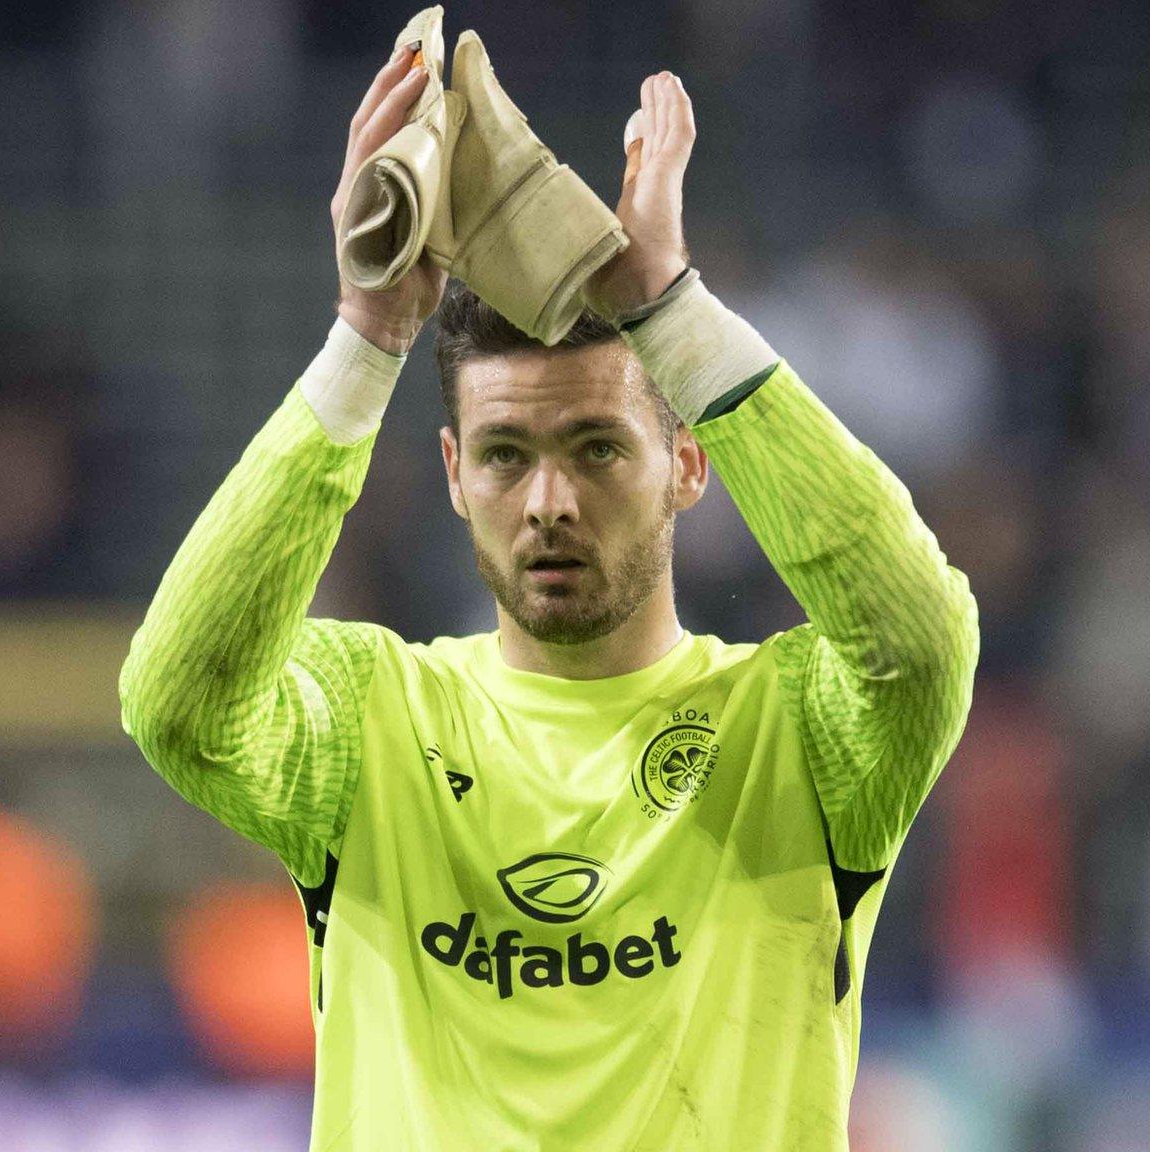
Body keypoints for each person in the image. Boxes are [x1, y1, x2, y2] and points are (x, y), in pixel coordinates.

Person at [119, 47, 979, 1150]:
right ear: (448, 473)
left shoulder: (798, 729)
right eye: (504, 455)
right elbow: (172, 704)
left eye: (595, 448)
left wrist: (671, 317)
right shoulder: (371, 718)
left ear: (687, 464)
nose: (547, 502)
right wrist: (365, 338)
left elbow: (921, 640)